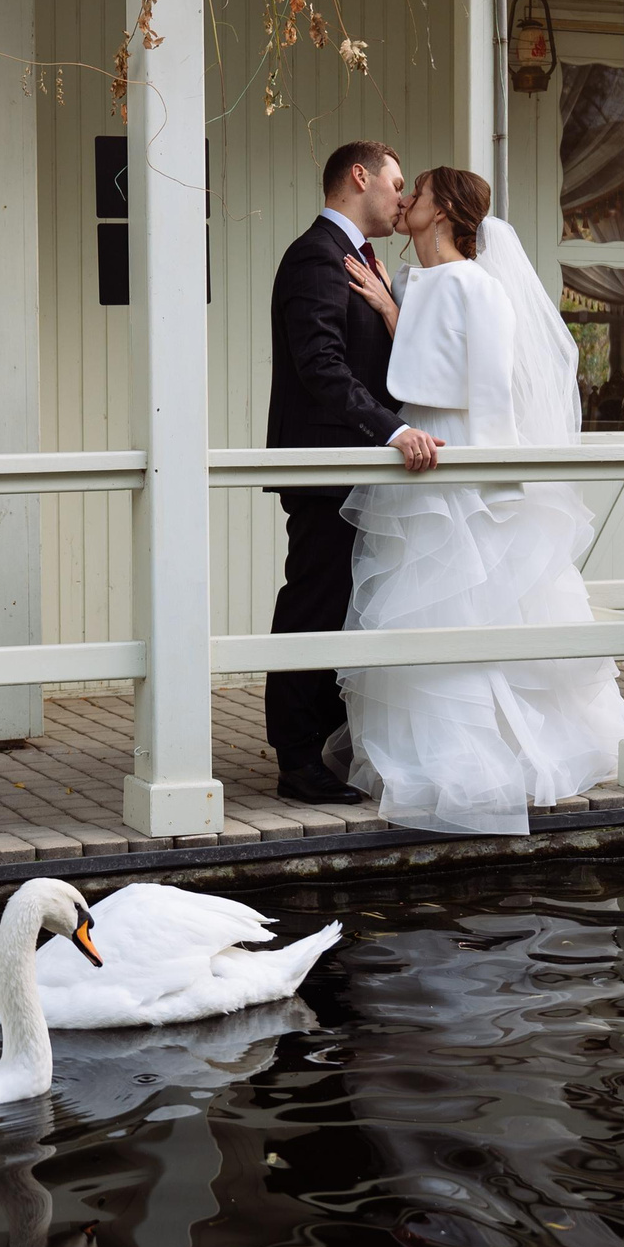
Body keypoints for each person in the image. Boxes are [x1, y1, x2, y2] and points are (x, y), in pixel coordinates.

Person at [335, 167, 624, 834]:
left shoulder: (479, 286)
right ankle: (417, 754)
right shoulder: (415, 280)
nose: (405, 200)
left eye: (420, 193)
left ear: (442, 213)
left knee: (474, 600)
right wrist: (392, 309)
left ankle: (487, 759)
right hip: (416, 452)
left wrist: (499, 489)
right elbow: (423, 362)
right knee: (418, 604)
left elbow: (490, 388)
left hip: (463, 460)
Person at [262, 141, 444, 805]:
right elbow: (322, 367)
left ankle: (331, 747)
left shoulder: (367, 263)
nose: (402, 198)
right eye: (396, 183)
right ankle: (297, 759)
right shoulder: (315, 256)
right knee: (313, 604)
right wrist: (392, 431)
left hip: (361, 474)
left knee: (347, 609)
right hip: (326, 469)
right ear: (359, 177)